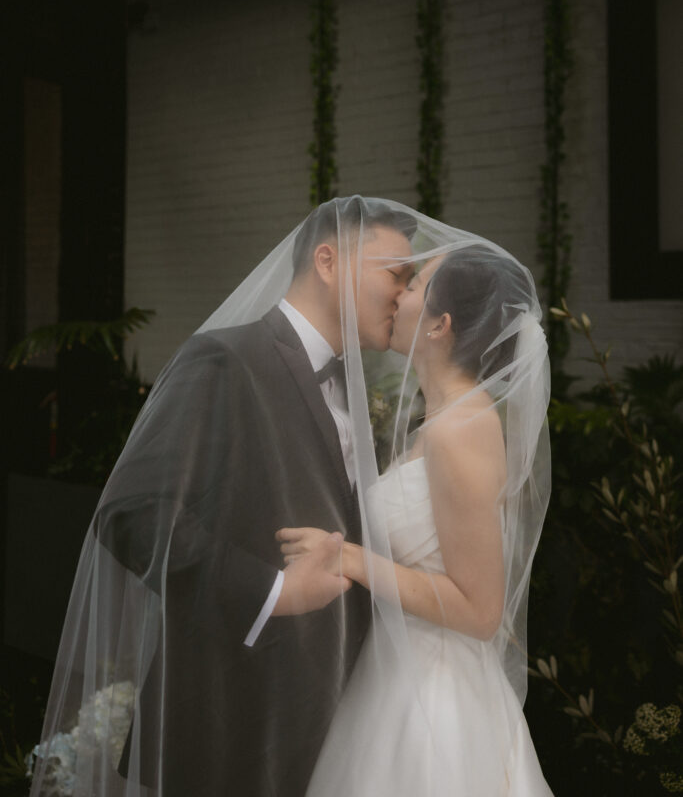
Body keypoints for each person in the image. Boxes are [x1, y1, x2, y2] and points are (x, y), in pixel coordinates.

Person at [28, 197, 416, 797]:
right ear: (328, 261)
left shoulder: (352, 392)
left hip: (327, 727)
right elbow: (133, 512)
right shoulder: (225, 358)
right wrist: (274, 592)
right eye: (397, 272)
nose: (405, 292)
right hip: (229, 724)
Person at [279, 241, 554, 795]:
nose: (398, 294)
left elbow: (480, 610)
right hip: (393, 675)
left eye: (414, 286)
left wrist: (351, 558)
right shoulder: (444, 422)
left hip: (436, 701)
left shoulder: (461, 430)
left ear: (439, 325)